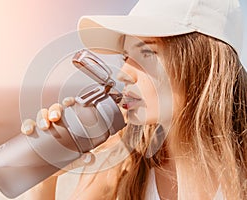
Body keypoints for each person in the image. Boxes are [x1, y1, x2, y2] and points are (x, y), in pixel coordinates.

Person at [21, 0, 247, 199]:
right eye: (126, 56)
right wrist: (45, 177)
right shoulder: (125, 160)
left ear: (203, 64)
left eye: (147, 53)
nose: (123, 73)